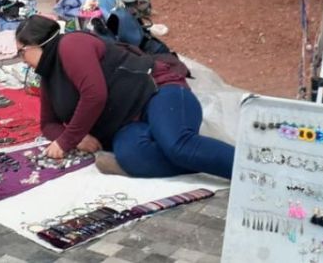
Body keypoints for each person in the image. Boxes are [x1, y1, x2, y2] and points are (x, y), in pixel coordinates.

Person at [14, 15, 234, 179]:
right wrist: (78, 138)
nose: (21, 58)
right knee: (132, 157)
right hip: (126, 123)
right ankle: (207, 161)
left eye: (21, 51)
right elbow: (48, 124)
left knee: (177, 145)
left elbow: (94, 95)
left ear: (38, 44)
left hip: (157, 91)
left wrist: (67, 140)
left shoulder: (71, 45)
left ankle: (256, 173)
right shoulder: (48, 76)